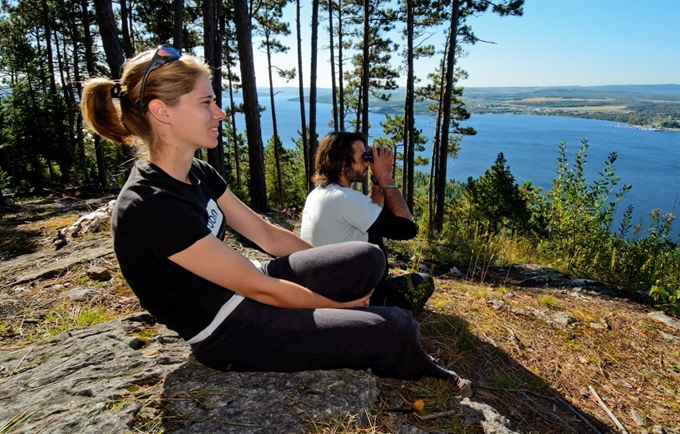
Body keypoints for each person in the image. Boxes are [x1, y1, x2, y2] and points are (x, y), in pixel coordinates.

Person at [79, 45, 473, 396]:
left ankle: (364, 307)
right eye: (206, 103)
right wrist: (341, 305)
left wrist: (329, 269)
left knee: (367, 258)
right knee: (394, 327)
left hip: (249, 282)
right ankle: (415, 363)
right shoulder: (151, 205)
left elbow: (265, 233)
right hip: (229, 326)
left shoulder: (197, 172)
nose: (220, 112)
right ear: (161, 111)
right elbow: (261, 290)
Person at [300, 131, 434, 311]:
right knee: (424, 281)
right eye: (363, 157)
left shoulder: (319, 194)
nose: (367, 162)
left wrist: (377, 183)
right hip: (356, 297)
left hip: (328, 287)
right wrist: (387, 179)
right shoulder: (346, 199)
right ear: (344, 162)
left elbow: (372, 213)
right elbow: (407, 229)